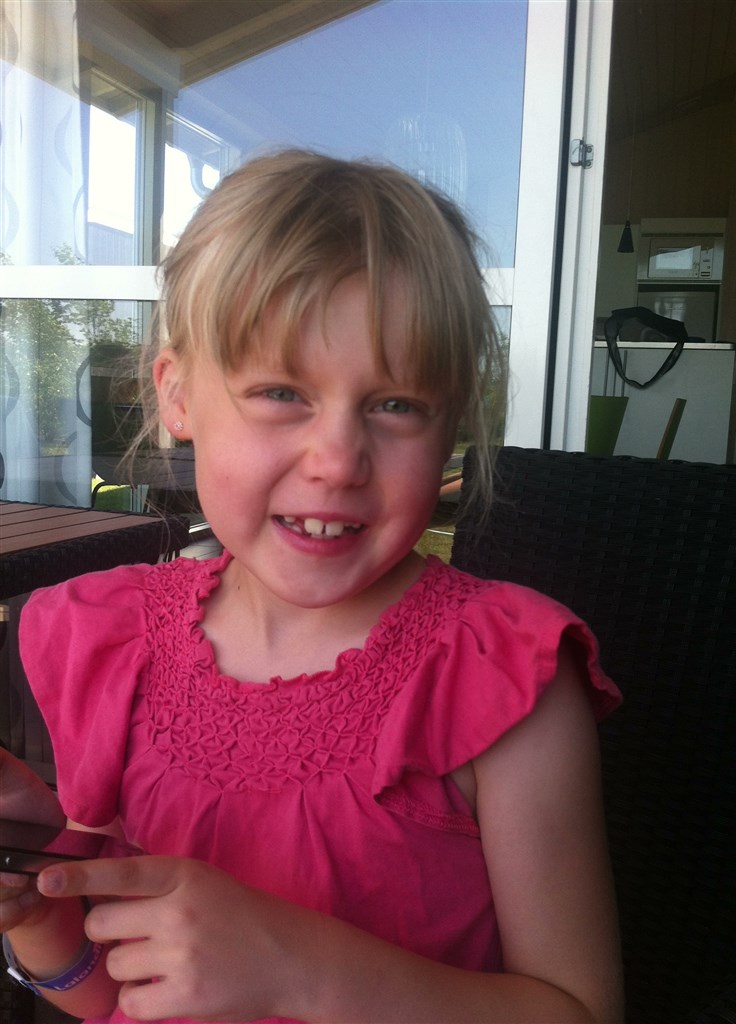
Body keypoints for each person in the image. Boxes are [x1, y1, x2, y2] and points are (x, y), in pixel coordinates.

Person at [0, 150, 624, 1024]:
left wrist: (302, 969)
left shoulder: (499, 680)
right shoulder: (108, 644)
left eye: (395, 404)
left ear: (448, 421)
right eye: (281, 391)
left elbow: (580, 1010)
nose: (337, 462)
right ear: (178, 397)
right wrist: (38, 910)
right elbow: (112, 996)